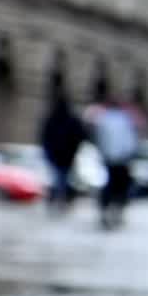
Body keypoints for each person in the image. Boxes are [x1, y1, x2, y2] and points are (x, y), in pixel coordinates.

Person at [87, 81, 138, 230]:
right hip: (121, 159)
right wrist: (128, 154)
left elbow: (99, 139)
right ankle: (117, 210)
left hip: (109, 159)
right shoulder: (125, 119)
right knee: (120, 187)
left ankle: (106, 210)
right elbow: (130, 140)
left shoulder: (104, 119)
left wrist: (103, 153)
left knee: (109, 186)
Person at [39, 81, 86, 213]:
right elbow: (80, 135)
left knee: (58, 178)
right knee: (62, 178)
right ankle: (61, 200)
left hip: (56, 154)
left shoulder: (52, 118)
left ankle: (58, 200)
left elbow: (44, 135)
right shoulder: (72, 119)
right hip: (67, 155)